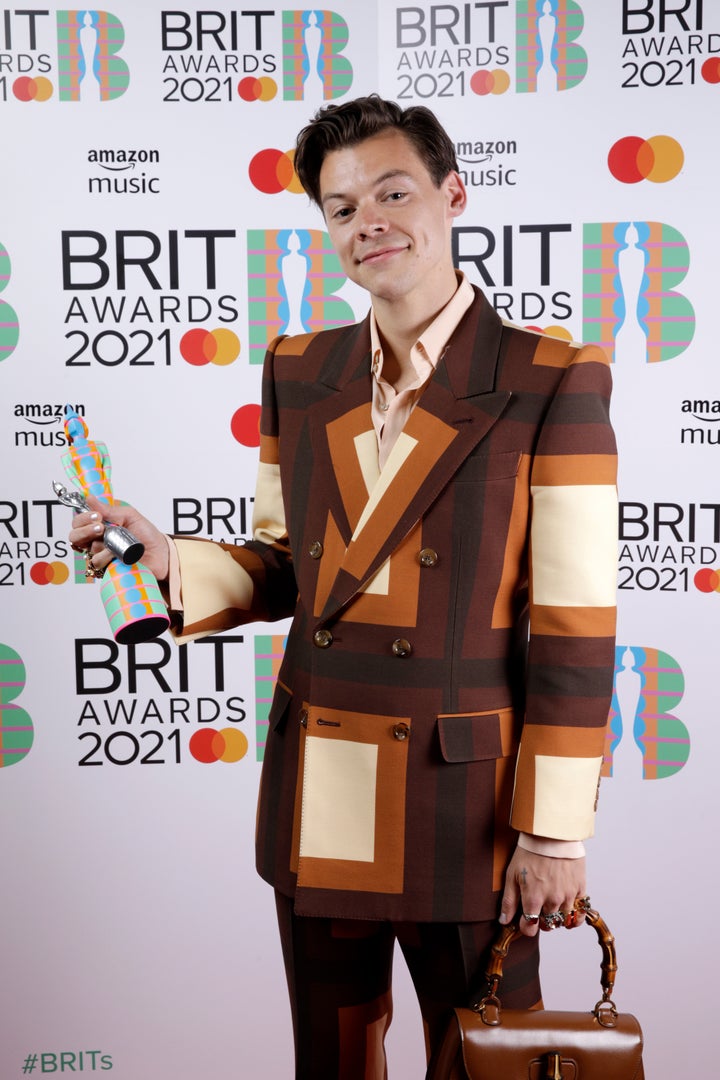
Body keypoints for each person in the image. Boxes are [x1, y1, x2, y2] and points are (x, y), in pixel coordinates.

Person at [69, 95, 618, 1078]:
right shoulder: (301, 366)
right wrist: (166, 557)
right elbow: (290, 565)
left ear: (452, 195)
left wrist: (554, 834)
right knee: (330, 1062)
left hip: (470, 807)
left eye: (392, 191)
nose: (366, 221)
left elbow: (575, 628)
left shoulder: (549, 376)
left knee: (486, 1062)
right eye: (340, 206)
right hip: (321, 789)